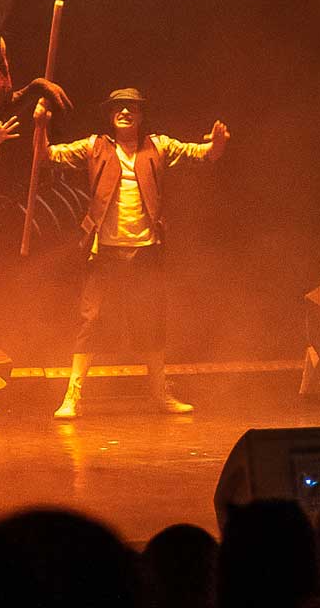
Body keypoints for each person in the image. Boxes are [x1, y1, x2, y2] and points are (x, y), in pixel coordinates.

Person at [42, 87, 228, 418]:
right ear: (110, 115)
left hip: (145, 251)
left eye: (131, 107)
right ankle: (73, 397)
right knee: (91, 321)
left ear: (140, 115)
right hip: (105, 252)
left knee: (152, 323)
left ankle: (160, 394)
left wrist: (216, 145)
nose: (125, 112)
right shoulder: (94, 146)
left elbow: (201, 154)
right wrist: (40, 125)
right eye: (119, 107)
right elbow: (47, 156)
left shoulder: (158, 146)